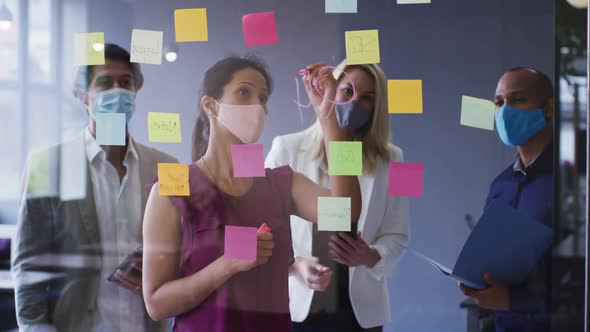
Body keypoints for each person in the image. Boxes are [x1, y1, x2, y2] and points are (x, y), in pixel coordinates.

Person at [141, 56, 362, 332]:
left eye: (263, 97)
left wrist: (330, 120)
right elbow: (156, 304)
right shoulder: (173, 184)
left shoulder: (282, 184)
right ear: (210, 105)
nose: (257, 105)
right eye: (244, 92)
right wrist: (227, 264)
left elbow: (347, 211)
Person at [12, 43, 177, 332]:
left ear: (136, 90)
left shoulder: (168, 168)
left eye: (125, 82)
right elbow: (29, 263)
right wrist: (34, 328)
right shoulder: (46, 166)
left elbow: (184, 247)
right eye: (104, 83)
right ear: (82, 96)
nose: (117, 90)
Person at [265, 60, 409, 332]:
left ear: (378, 108)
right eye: (347, 91)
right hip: (298, 307)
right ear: (330, 91)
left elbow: (398, 235)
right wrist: (296, 265)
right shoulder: (286, 147)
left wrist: (369, 256)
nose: (355, 103)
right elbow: (262, 229)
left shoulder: (395, 159)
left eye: (367, 98)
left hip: (361, 313)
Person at [459, 67, 554, 332]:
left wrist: (514, 299)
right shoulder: (500, 186)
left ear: (548, 108)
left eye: (519, 99)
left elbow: (577, 285)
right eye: (499, 102)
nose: (505, 111)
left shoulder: (566, 182)